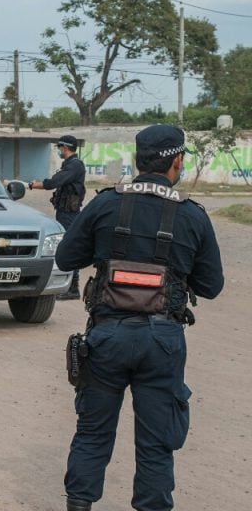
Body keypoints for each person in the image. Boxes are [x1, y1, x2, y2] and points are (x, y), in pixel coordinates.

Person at [55, 124, 224, 511]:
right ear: (177, 161)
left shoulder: (106, 203)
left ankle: (79, 504)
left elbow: (66, 259)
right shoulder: (191, 214)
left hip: (107, 337)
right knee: (156, 441)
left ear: (137, 160)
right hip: (163, 342)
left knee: (93, 432)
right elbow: (211, 286)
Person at [30, 135, 86, 300]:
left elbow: (54, 182)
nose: (59, 150)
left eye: (59, 147)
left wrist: (34, 185)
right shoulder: (70, 165)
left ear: (65, 148)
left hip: (69, 213)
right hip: (65, 212)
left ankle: (72, 288)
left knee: (68, 247)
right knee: (65, 246)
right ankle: (70, 287)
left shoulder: (74, 166)